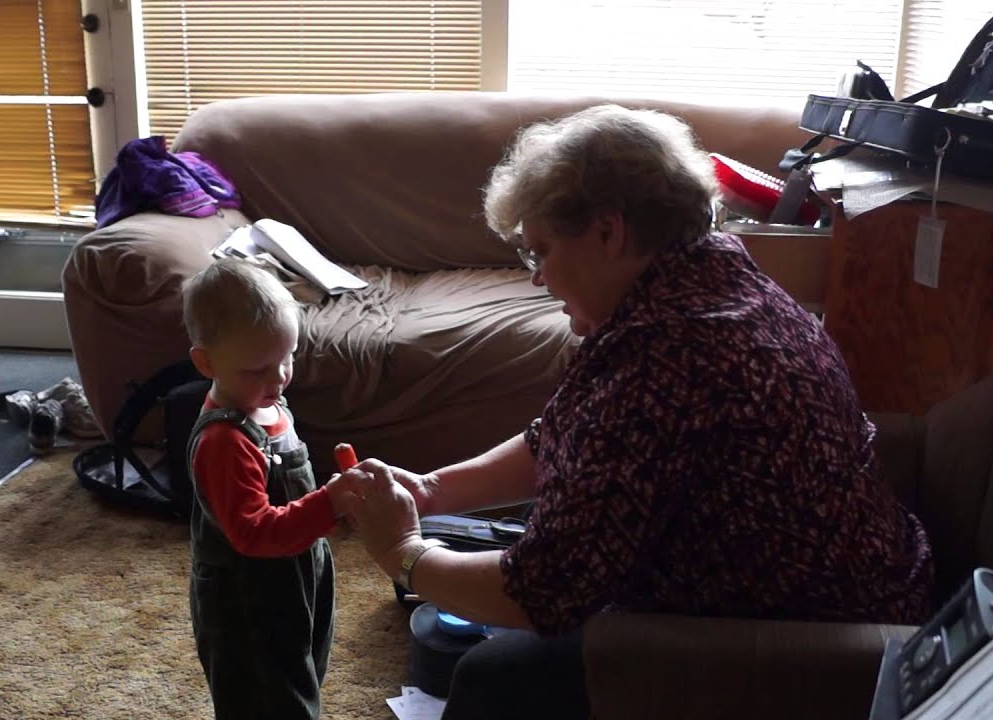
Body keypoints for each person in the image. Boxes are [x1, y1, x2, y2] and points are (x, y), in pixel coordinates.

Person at [340, 105, 934, 719]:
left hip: (810, 639)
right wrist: (435, 492)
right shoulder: (707, 274)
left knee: (493, 676)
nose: (539, 278)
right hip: (853, 583)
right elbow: (560, 437)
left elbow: (539, 592)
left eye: (541, 251)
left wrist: (402, 553)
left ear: (607, 233)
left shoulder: (668, 356)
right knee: (464, 564)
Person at [181, 258, 359, 719]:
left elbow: (288, 499)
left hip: (297, 570)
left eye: (288, 358)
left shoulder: (269, 404)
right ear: (206, 362)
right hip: (248, 596)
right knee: (265, 696)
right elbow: (253, 532)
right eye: (258, 369)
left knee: (301, 671)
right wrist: (326, 503)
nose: (278, 378)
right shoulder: (225, 440)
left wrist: (330, 506)